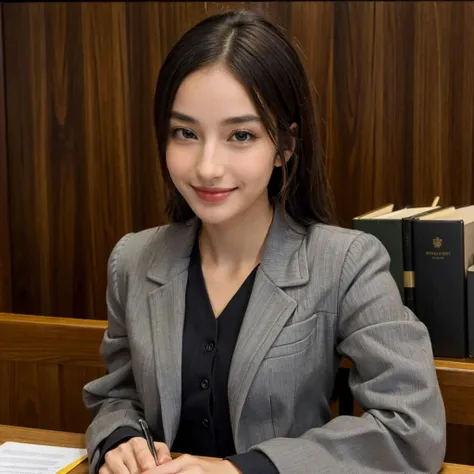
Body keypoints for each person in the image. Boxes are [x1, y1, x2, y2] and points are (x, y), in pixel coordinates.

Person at [83, 9, 446, 474]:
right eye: (186, 133)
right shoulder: (133, 260)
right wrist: (120, 436)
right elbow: (118, 394)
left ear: (285, 145)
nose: (208, 166)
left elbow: (412, 425)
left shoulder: (346, 262)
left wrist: (244, 470)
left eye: (241, 134)